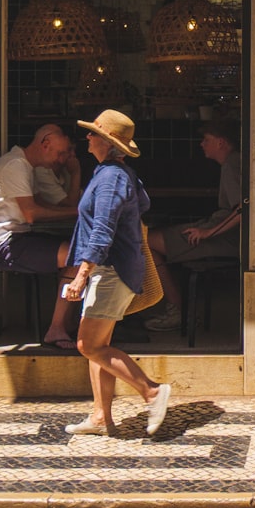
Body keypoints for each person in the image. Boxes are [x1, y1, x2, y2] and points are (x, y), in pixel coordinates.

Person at [61, 109, 172, 437]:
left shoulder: (110, 178)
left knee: (87, 344)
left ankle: (152, 392)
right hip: (109, 269)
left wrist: (82, 274)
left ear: (108, 143)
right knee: (100, 345)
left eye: (94, 133)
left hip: (110, 270)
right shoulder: (113, 173)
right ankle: (100, 417)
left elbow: (103, 230)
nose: (88, 137)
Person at [0, 124, 81, 348]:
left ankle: (68, 323)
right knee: (77, 257)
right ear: (45, 144)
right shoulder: (15, 166)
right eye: (60, 153)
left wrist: (75, 211)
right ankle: (57, 329)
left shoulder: (26, 166)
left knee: (76, 250)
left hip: (17, 239)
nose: (62, 159)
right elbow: (31, 213)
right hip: (0, 246)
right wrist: (78, 211)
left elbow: (41, 204)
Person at [144, 118, 242, 332]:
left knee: (145, 242)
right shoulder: (232, 163)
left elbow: (242, 209)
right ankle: (176, 307)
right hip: (217, 230)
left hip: (224, 238)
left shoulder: (232, 164)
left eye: (207, 139)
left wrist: (208, 232)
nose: (202, 144)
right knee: (146, 240)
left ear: (221, 143)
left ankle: (178, 310)